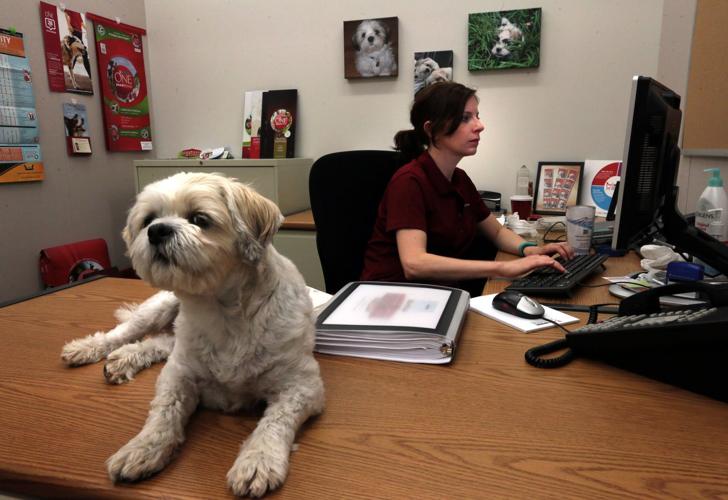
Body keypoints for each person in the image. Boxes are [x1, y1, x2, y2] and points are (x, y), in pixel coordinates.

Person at [360, 81, 574, 295]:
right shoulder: (409, 182)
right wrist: (504, 268)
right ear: (431, 129)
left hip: (438, 293)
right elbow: (415, 264)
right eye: (465, 118)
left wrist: (531, 250)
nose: (479, 125)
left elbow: (497, 232)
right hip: (391, 299)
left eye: (477, 116)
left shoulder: (459, 179)